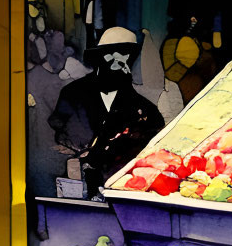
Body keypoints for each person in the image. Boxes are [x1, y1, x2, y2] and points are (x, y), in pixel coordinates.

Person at [49, 26, 165, 196]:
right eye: (111, 54)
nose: (118, 62)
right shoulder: (72, 94)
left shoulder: (146, 111)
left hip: (122, 194)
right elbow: (61, 137)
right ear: (99, 57)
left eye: (126, 55)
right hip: (77, 192)